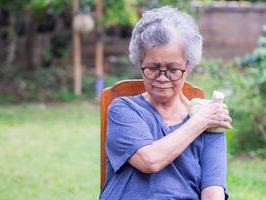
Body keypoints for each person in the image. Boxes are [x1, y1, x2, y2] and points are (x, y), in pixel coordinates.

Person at [99, 6, 232, 200]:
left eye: (173, 69)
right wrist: (199, 122)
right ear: (140, 62)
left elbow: (213, 193)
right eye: (153, 68)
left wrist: (204, 120)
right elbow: (149, 160)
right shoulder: (123, 109)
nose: (162, 78)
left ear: (187, 65)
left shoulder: (210, 122)